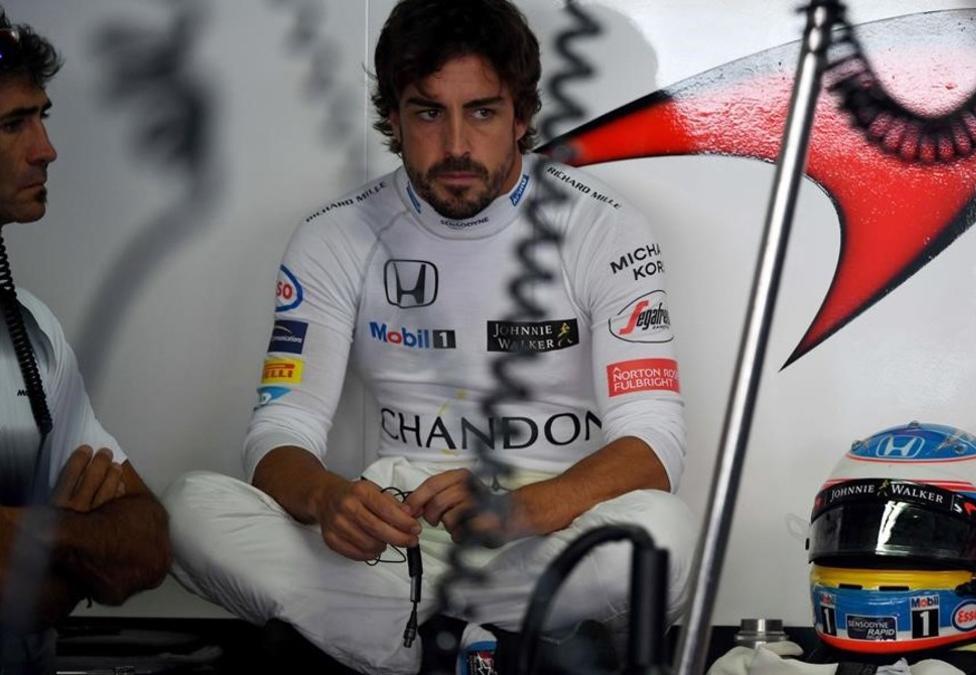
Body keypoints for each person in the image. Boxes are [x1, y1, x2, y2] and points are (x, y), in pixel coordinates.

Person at [163, 0, 696, 672]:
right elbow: (280, 431)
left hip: (543, 531)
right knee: (190, 508)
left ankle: (400, 638)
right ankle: (467, 641)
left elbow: (655, 441)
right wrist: (330, 498)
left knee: (663, 538)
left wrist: (521, 509)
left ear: (522, 116)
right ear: (392, 116)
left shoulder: (605, 230)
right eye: (426, 112)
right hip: (394, 538)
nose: (455, 147)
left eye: (481, 111)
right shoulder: (334, 235)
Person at [0, 9, 171, 673]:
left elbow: (145, 543)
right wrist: (77, 546)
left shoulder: (34, 330)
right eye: (14, 124)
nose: (46, 149)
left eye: (41, 117)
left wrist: (34, 531)